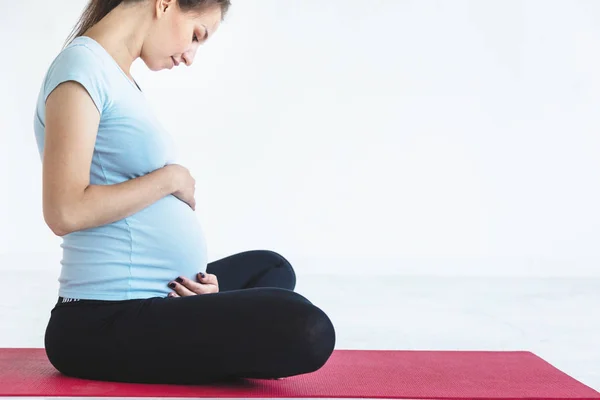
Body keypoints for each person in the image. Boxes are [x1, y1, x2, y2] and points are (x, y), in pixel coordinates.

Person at [33, 0, 336, 384]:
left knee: (272, 268)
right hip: (100, 320)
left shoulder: (115, 74)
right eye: (196, 35)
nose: (191, 56)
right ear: (164, 4)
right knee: (308, 329)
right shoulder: (81, 69)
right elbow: (64, 210)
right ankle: (208, 337)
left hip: (160, 297)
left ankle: (201, 316)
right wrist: (170, 179)